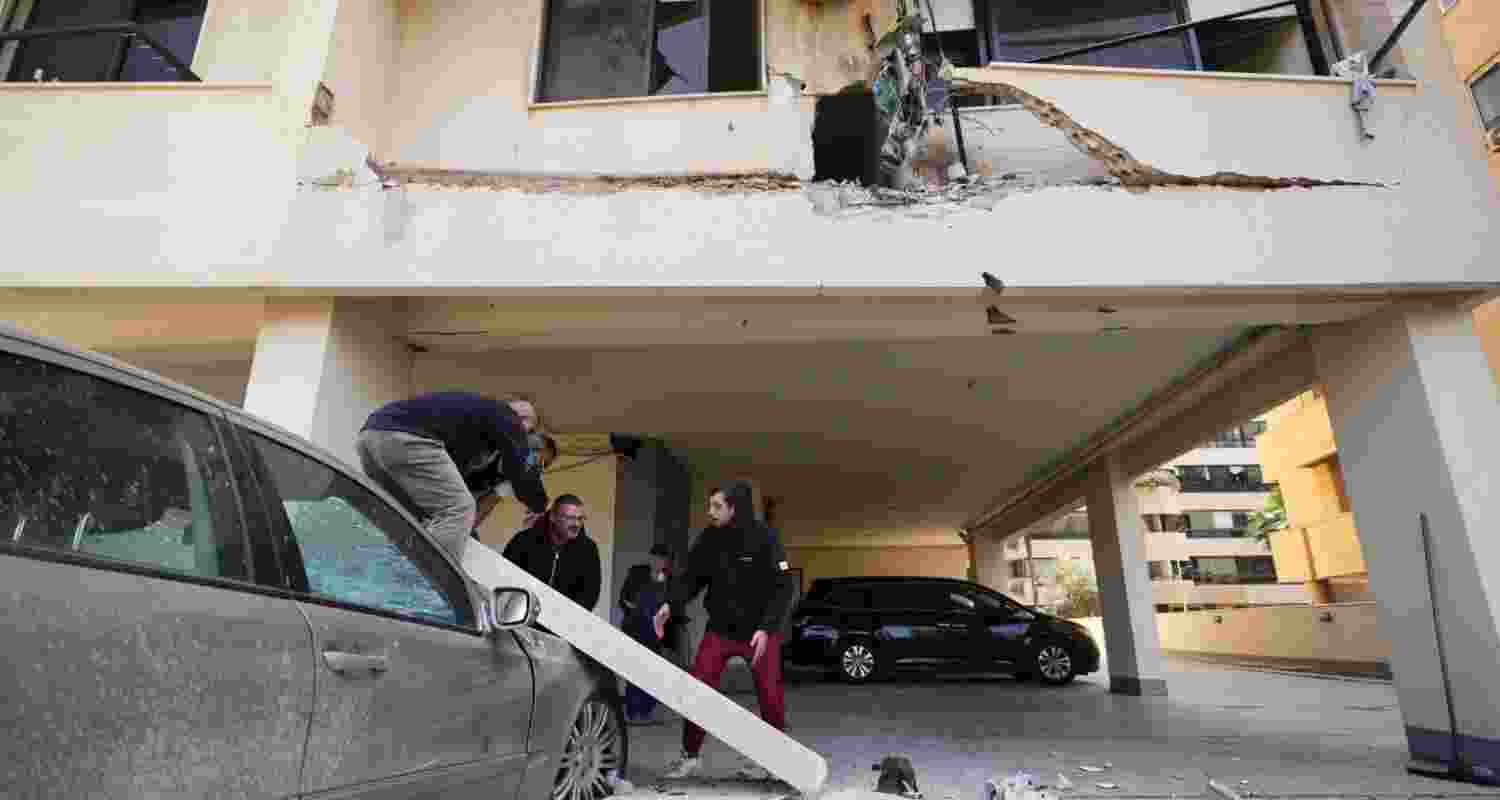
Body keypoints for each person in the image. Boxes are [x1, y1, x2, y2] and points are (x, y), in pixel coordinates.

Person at [654, 480, 797, 781]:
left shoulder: (765, 538)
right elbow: (692, 577)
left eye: (717, 506)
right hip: (719, 629)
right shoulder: (710, 538)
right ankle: (690, 756)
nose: (710, 512)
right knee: (698, 689)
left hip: (759, 632)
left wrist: (767, 628)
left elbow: (783, 588)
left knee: (770, 696)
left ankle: (777, 761)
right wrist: (670, 605)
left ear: (735, 508)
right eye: (710, 506)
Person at [357, 391, 547, 560]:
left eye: (526, 419)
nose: (520, 423)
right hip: (404, 438)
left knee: (406, 514)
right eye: (521, 418)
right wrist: (539, 504)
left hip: (371, 436)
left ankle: (373, 559)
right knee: (459, 508)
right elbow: (524, 473)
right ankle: (428, 581)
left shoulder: (470, 424)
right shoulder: (507, 418)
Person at [502, 494, 602, 612]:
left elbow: (590, 594)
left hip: (564, 623)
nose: (576, 524)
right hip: (523, 618)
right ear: (553, 517)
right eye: (569, 518)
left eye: (580, 518)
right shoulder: (523, 541)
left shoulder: (588, 550)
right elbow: (506, 578)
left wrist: (569, 619)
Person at [620, 544, 673, 725]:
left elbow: (673, 604)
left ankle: (647, 712)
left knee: (653, 672)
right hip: (636, 628)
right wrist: (635, 611)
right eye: (655, 558)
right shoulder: (637, 574)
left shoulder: (669, 579)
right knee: (635, 670)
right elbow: (624, 598)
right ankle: (632, 712)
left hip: (657, 632)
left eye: (662, 559)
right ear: (650, 558)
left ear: (666, 562)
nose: (659, 562)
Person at [471, 432, 558, 543]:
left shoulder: (513, 479)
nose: (539, 468)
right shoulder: (491, 443)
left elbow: (488, 502)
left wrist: (466, 528)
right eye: (540, 461)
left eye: (544, 465)